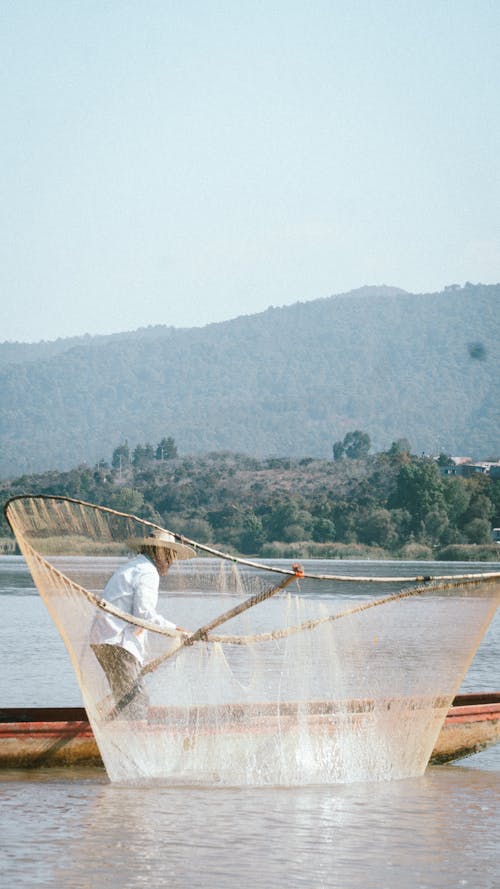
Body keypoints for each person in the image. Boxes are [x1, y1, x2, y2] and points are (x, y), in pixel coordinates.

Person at [90, 528, 195, 717]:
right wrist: (176, 630)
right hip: (116, 643)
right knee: (136, 701)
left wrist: (142, 660)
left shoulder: (135, 566)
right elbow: (144, 615)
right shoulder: (147, 572)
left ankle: (115, 729)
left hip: (108, 640)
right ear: (159, 552)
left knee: (127, 697)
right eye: (169, 557)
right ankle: (129, 738)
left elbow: (135, 622)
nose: (170, 563)